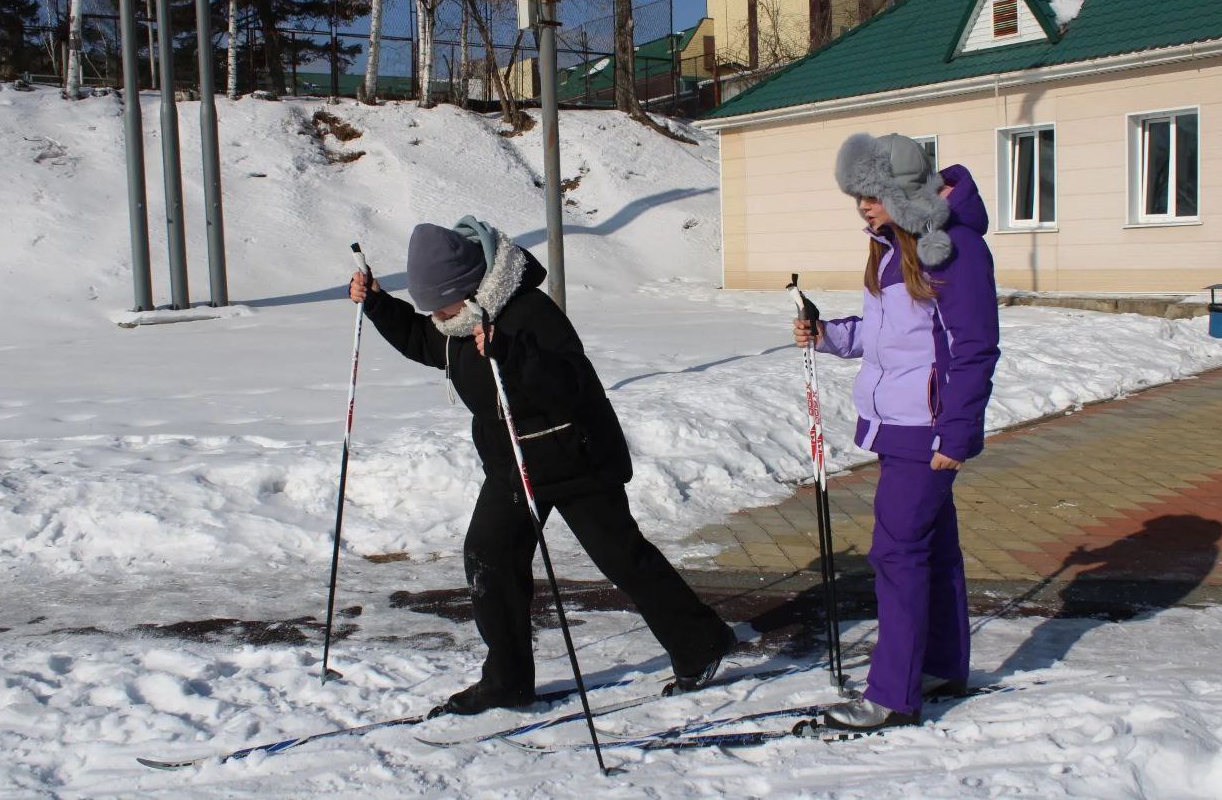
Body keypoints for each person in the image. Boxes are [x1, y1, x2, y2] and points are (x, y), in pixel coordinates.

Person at [349, 217, 737, 715]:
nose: (437, 317)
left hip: (575, 456)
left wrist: (511, 354)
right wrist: (379, 303)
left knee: (622, 557)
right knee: (489, 555)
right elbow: (427, 343)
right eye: (432, 309)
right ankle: (507, 681)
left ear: (468, 289)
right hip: (513, 464)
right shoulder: (456, 323)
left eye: (441, 305)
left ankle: (700, 642)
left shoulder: (530, 311)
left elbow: (570, 383)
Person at [793, 134, 1000, 731]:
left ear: (906, 191)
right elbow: (888, 336)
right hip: (897, 425)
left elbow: (974, 348)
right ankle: (939, 665)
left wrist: (956, 435)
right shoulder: (891, 249)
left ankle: (891, 695)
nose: (863, 204)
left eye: (874, 193)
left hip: (927, 428)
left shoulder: (954, 247)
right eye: (858, 194)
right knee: (932, 549)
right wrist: (827, 334)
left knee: (896, 552)